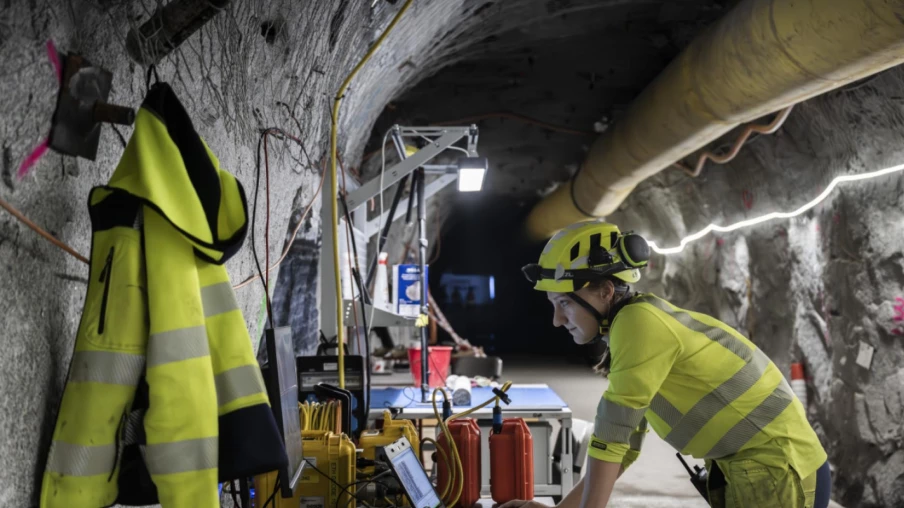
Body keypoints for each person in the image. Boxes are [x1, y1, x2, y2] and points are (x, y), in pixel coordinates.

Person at [506, 220, 831, 508]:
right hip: (771, 468)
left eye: (564, 303)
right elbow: (623, 446)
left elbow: (612, 437)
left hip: (778, 469)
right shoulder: (636, 323)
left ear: (605, 291)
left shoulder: (638, 324)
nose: (557, 319)